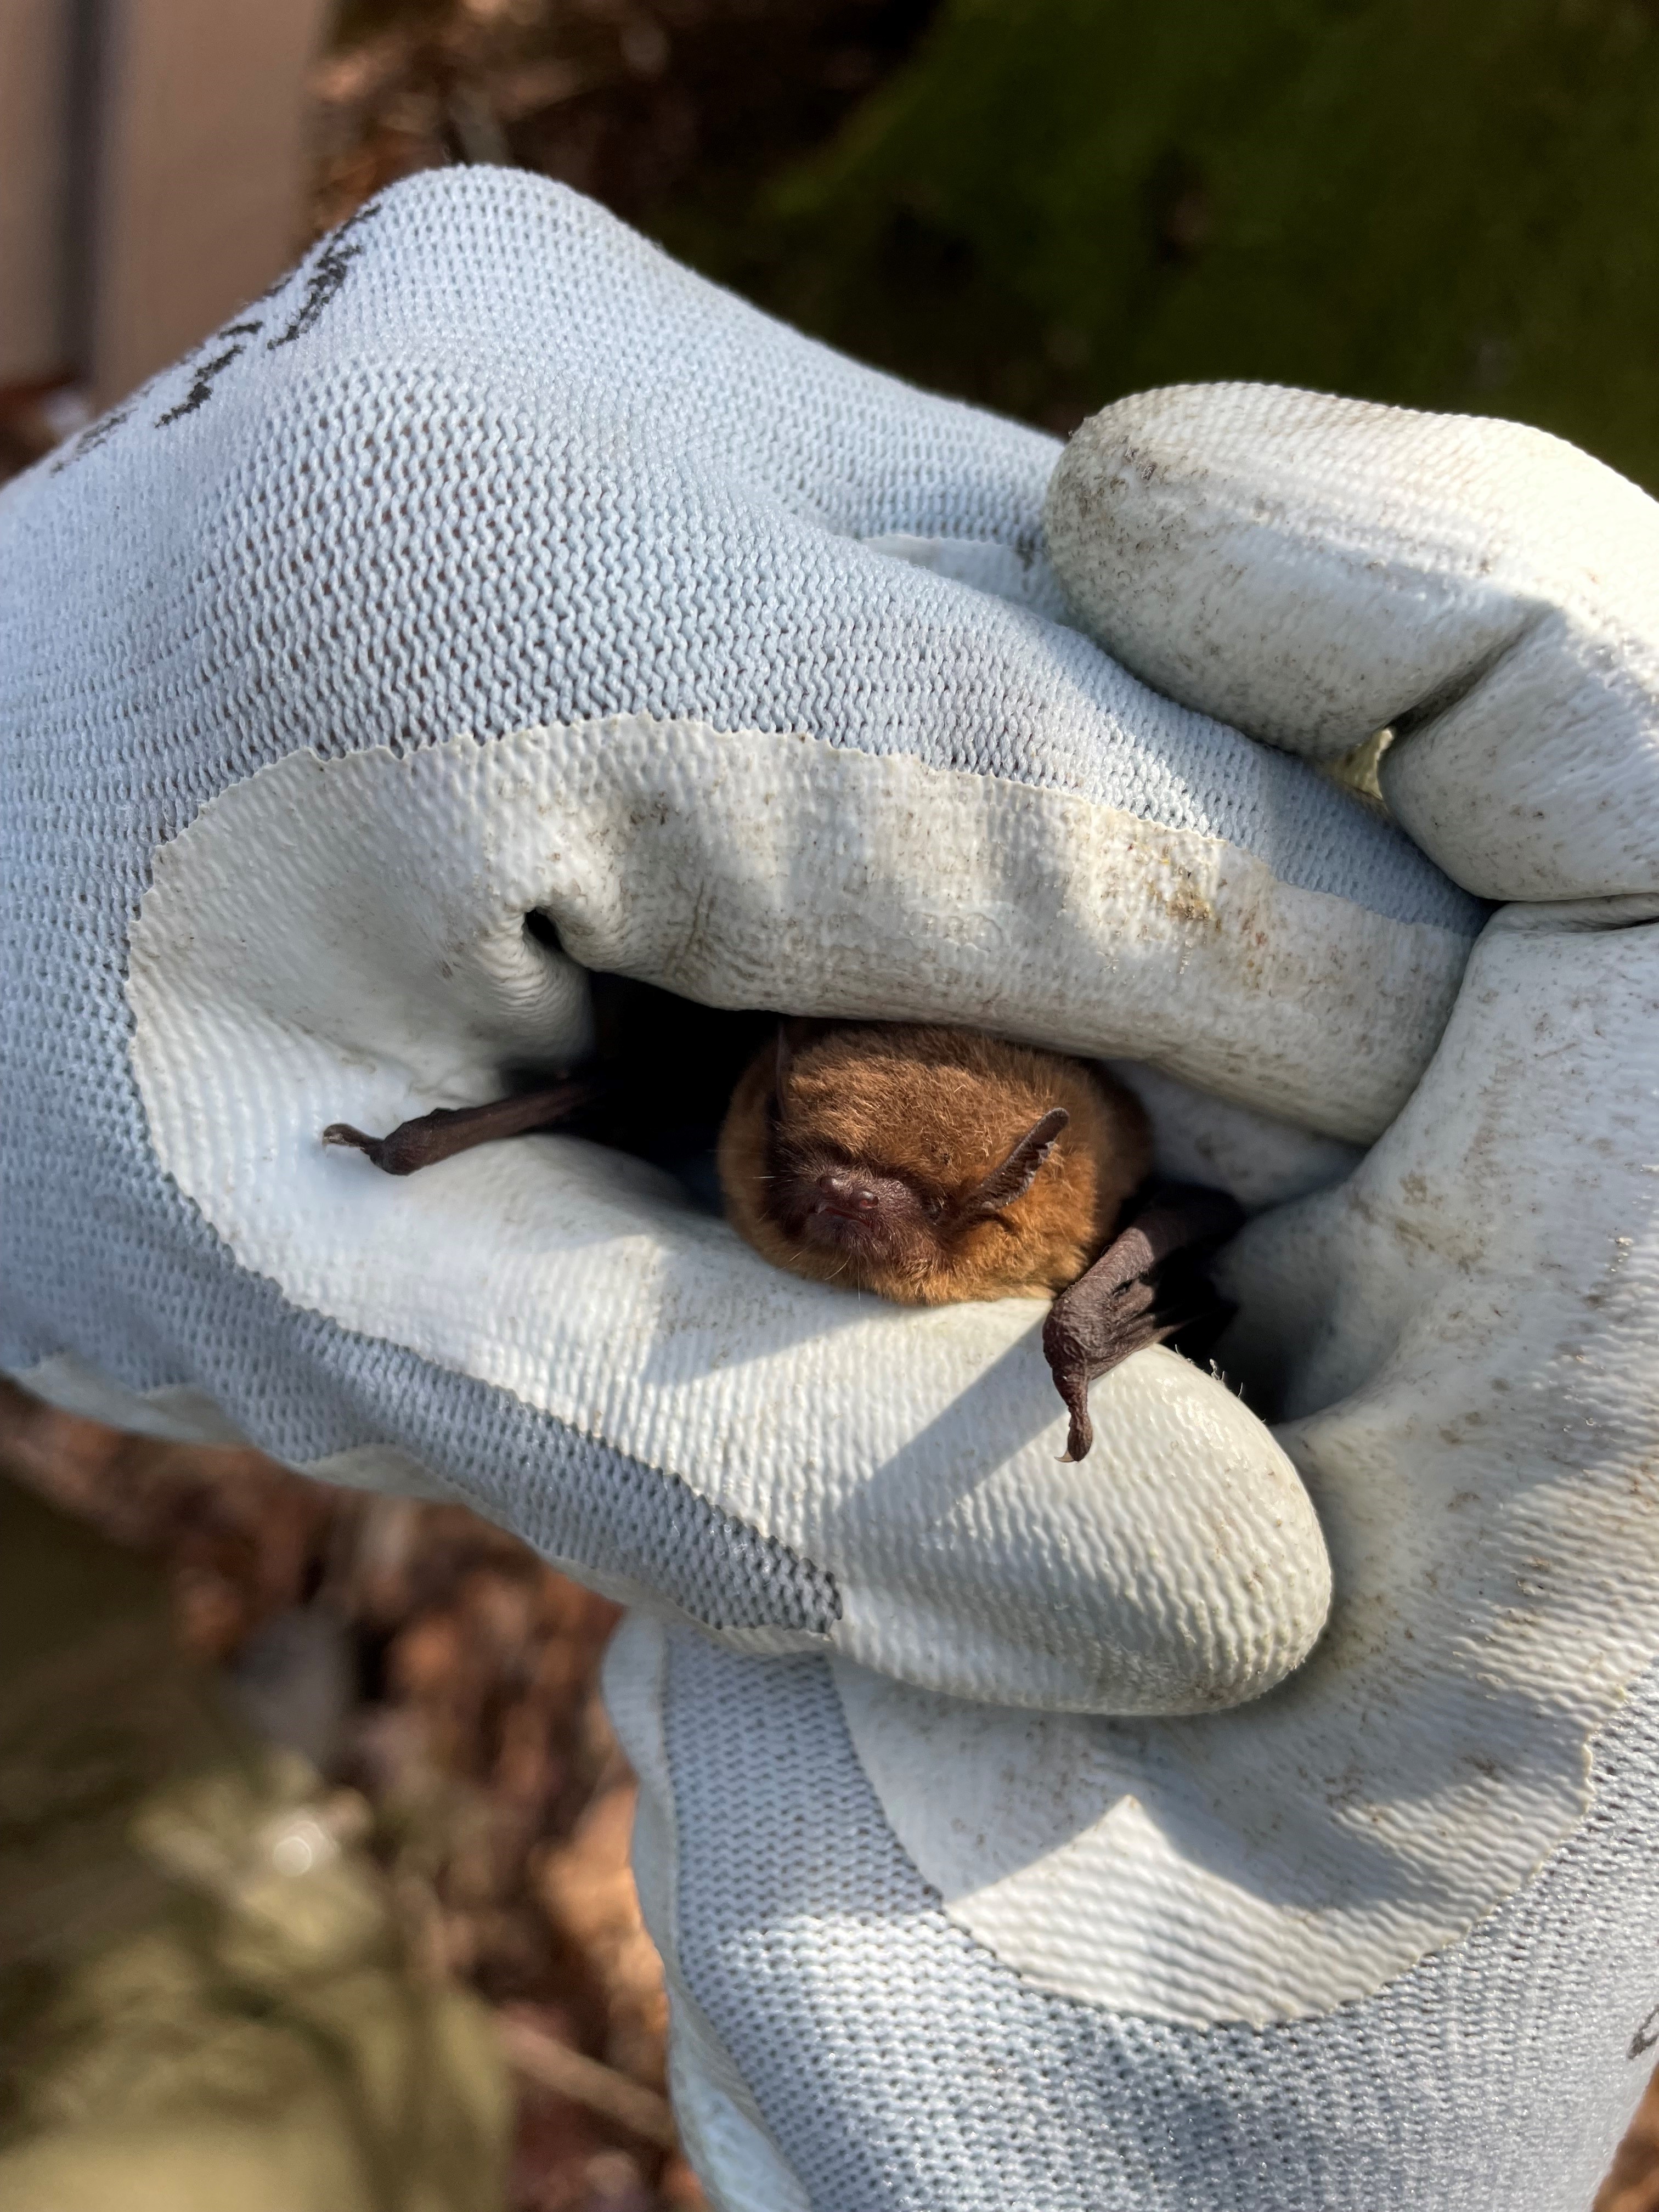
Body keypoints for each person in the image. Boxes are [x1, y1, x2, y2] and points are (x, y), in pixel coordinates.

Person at [3, 166, 1656, 2209]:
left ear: (1047, 1209)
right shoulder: (736, 1111)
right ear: (753, 1105)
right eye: (821, 1177)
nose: (865, 1210)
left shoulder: (1085, 1228)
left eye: (914, 1210)